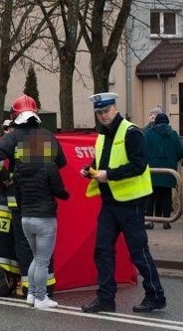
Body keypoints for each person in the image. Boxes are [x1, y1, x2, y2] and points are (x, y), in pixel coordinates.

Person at [80, 92, 166, 314]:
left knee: (138, 252)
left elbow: (138, 165)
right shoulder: (103, 136)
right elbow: (101, 162)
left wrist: (108, 175)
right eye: (99, 112)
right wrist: (89, 169)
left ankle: (155, 295)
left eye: (106, 111)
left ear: (115, 108)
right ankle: (105, 298)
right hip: (110, 203)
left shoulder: (131, 131)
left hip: (131, 203)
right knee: (102, 249)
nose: (103, 115)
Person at [0, 94, 65, 298]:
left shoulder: (13, 137)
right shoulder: (47, 136)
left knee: (24, 245)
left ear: (14, 116)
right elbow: (61, 162)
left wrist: (6, 177)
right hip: (44, 201)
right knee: (44, 249)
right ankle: (46, 288)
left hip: (19, 201)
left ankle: (28, 288)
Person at [16, 134, 70, 309]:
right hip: (45, 218)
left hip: (26, 218)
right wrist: (66, 195)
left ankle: (31, 294)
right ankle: (41, 298)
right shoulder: (49, 167)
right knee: (42, 261)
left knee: (36, 257)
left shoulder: (19, 168)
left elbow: (18, 195)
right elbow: (59, 190)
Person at [143, 113, 183, 230]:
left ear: (156, 122)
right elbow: (180, 152)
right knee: (166, 194)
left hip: (153, 169)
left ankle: (150, 221)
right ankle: (166, 221)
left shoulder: (148, 134)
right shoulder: (173, 134)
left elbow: (142, 150)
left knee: (151, 195)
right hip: (169, 169)